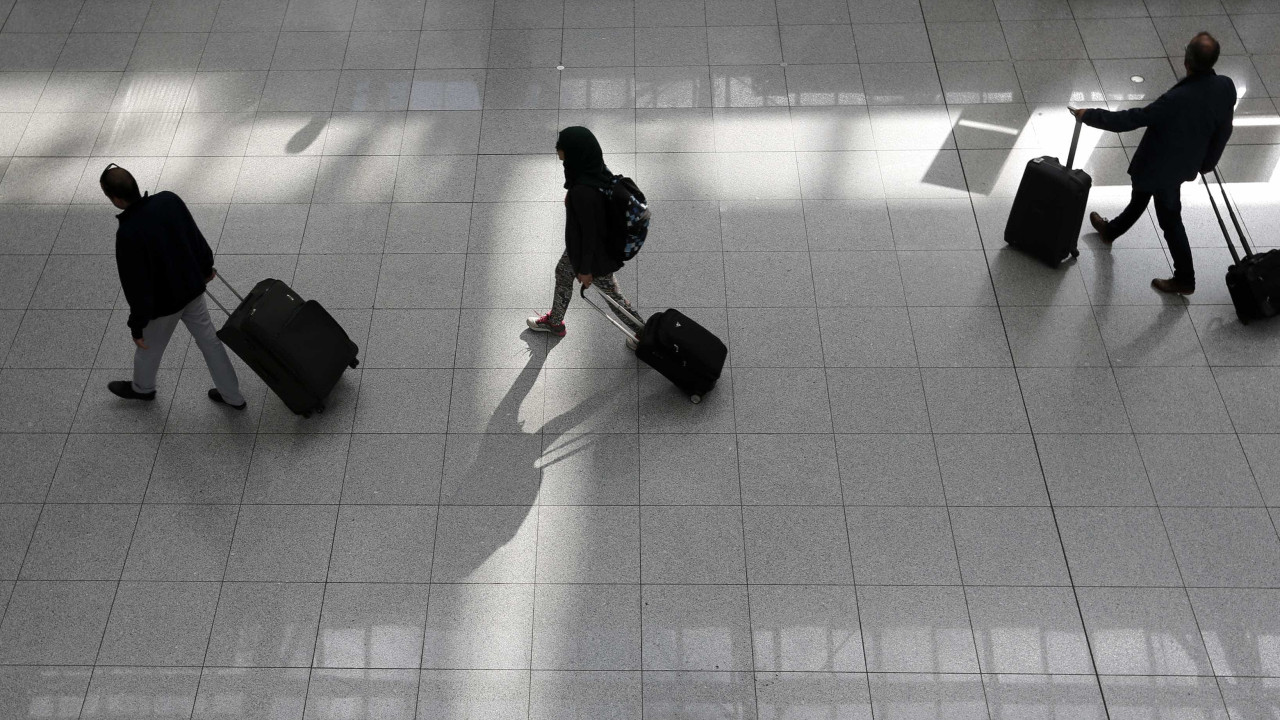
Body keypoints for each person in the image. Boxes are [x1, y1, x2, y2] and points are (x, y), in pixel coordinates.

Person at [1069, 32, 1236, 296]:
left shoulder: (1176, 100)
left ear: (1186, 60)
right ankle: (1110, 231)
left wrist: (1088, 115)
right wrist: (1207, 163)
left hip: (1161, 167)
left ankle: (1185, 278)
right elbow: (1224, 129)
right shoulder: (1226, 86)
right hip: (1183, 164)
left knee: (1170, 220)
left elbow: (1131, 119)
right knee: (1140, 197)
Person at [101, 164, 247, 410]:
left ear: (116, 199)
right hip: (192, 289)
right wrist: (205, 267)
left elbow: (136, 286)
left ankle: (143, 389)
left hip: (163, 306)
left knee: (148, 348)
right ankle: (233, 396)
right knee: (210, 342)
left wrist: (137, 325)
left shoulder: (128, 233)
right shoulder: (169, 200)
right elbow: (194, 236)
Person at [527, 126, 645, 346]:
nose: (557, 150)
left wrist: (585, 270)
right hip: (582, 247)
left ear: (574, 152)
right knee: (563, 272)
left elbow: (590, 233)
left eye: (560, 147)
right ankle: (555, 322)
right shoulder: (594, 170)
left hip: (592, 253)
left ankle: (645, 335)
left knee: (612, 297)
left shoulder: (582, 191)